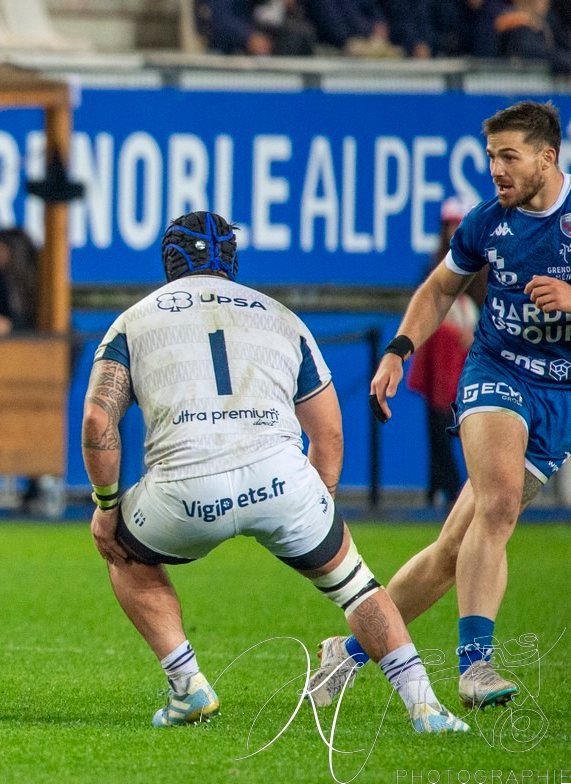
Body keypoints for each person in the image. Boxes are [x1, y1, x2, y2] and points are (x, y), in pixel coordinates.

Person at [82, 210, 467, 733]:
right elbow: (328, 432)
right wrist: (319, 502)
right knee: (357, 586)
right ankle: (426, 707)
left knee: (123, 555)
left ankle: (188, 687)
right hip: (282, 482)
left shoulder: (134, 320)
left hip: (184, 494)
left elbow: (97, 418)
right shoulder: (282, 316)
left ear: (168, 260)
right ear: (232, 259)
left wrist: (106, 507)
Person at [311, 100, 571, 712]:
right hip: (494, 374)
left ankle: (345, 653)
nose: (497, 171)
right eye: (491, 158)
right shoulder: (489, 222)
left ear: (548, 158)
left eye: (509, 157)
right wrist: (400, 349)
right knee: (500, 501)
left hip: (557, 396)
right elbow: (439, 288)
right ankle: (475, 665)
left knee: (453, 554)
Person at [406, 197, 479, 509]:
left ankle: (467, 490)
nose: (453, 230)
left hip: (469, 356)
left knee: (470, 424)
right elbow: (425, 302)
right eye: (449, 224)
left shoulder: (481, 267)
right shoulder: (435, 264)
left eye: (458, 224)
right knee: (436, 423)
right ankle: (442, 486)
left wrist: (475, 332)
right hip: (439, 354)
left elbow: (493, 306)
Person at [0, 227, 39, 337]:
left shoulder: (39, 281)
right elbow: (0, 317)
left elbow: (46, 326)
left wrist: (13, 328)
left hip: (44, 344)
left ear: (14, 252)